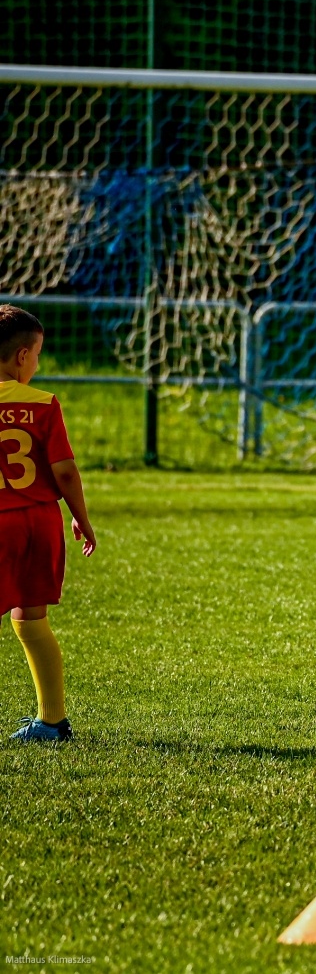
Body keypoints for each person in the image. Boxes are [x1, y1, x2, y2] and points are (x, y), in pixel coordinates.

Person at [0, 305, 96, 743]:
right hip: (39, 521)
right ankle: (52, 721)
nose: (38, 363)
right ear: (22, 357)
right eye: (37, 354)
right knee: (31, 620)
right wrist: (81, 518)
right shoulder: (42, 404)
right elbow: (65, 471)